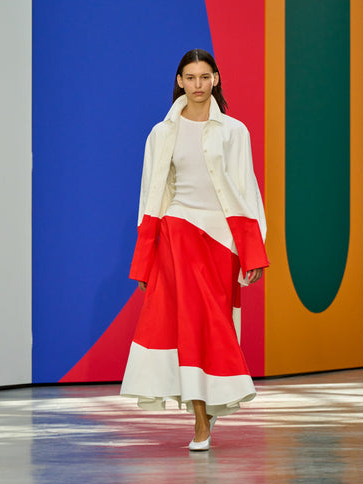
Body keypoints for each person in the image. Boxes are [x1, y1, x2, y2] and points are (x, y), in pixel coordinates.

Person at [120, 49, 269, 451]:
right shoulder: (162, 133)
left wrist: (253, 250)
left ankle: (211, 397)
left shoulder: (234, 131)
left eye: (205, 77)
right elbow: (151, 195)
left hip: (221, 239)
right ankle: (201, 419)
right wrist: (145, 259)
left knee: (214, 325)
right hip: (178, 230)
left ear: (216, 79)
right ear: (180, 81)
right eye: (191, 77)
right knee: (187, 323)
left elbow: (246, 190)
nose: (198, 85)